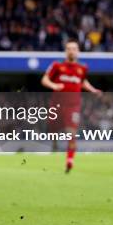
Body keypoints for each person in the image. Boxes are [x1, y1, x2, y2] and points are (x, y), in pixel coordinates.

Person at [41, 39, 102, 172]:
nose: (71, 51)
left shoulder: (82, 68)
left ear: (78, 51)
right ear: (65, 51)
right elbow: (44, 79)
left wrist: (93, 90)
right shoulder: (57, 66)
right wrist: (54, 85)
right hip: (56, 105)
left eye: (74, 48)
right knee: (53, 129)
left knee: (71, 133)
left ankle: (70, 160)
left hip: (73, 105)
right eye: (69, 48)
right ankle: (55, 145)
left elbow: (83, 82)